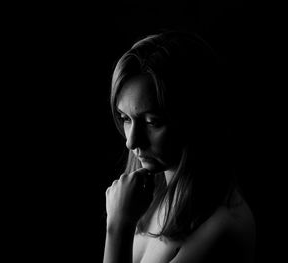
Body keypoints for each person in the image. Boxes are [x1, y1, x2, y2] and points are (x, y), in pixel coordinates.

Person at [104, 30, 256, 263]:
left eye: (152, 122)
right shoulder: (146, 198)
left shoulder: (220, 229)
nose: (131, 141)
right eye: (125, 118)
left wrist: (117, 227)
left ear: (195, 118)